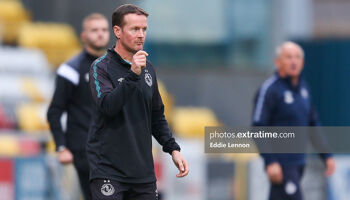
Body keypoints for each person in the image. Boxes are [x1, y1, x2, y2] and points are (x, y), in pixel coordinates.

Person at [87, 4, 189, 200]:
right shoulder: (101, 67)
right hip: (108, 172)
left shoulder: (148, 69)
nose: (141, 35)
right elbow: (108, 106)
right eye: (135, 29)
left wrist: (173, 149)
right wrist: (133, 75)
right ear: (117, 31)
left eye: (144, 29)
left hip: (143, 175)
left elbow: (156, 116)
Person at [252, 41, 336, 200]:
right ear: (278, 62)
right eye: (288, 57)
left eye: (297, 57)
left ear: (303, 63)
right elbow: (258, 127)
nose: (293, 61)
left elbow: (313, 125)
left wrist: (327, 156)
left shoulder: (304, 89)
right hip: (282, 165)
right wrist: (270, 161)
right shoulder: (270, 90)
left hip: (299, 162)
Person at [47, 13, 110, 200]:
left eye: (104, 30)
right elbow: (54, 111)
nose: (100, 34)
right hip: (84, 148)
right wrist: (61, 146)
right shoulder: (71, 70)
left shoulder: (115, 67)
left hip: (112, 147)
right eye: (94, 30)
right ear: (84, 36)